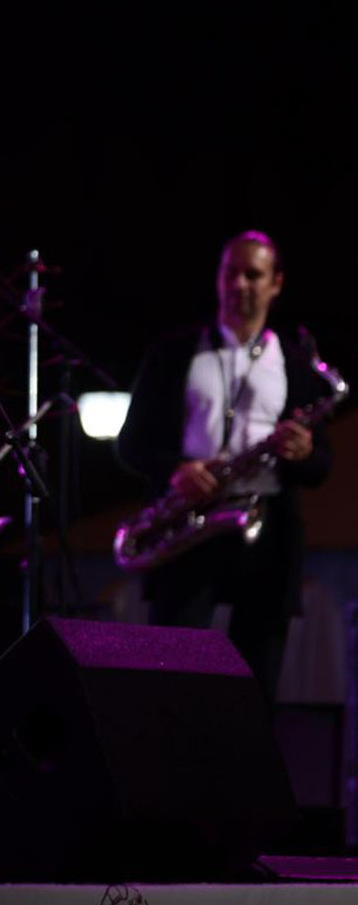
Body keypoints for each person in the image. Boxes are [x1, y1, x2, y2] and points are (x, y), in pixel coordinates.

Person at [116, 231, 333, 704]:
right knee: (171, 676)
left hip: (267, 532)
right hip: (188, 525)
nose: (240, 284)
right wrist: (177, 470)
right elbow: (131, 443)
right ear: (217, 279)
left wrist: (303, 452)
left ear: (276, 283)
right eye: (230, 273)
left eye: (253, 274)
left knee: (257, 685)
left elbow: (321, 466)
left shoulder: (297, 364)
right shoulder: (173, 354)